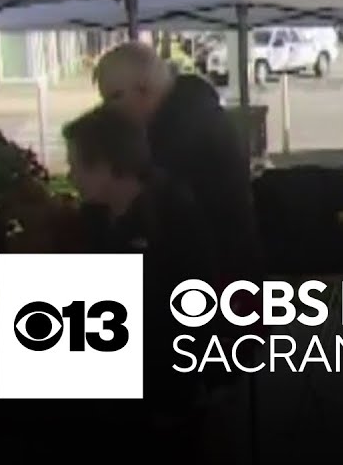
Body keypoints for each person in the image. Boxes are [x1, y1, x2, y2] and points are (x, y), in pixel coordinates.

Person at [62, 105, 218, 456]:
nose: (70, 175)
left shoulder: (172, 217)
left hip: (161, 396)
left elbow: (190, 315)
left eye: (76, 165)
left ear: (106, 164)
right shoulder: (100, 216)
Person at [92, 42, 261, 285]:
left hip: (218, 284)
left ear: (144, 89)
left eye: (113, 97)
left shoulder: (179, 133)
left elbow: (153, 212)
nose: (109, 110)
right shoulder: (191, 112)